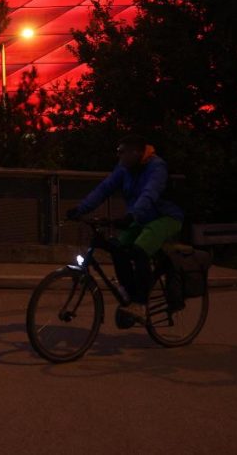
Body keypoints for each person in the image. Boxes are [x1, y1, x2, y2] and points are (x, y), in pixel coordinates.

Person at [66, 134, 183, 323]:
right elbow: (104, 188)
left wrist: (132, 216)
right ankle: (130, 291)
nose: (119, 157)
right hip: (141, 216)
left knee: (139, 249)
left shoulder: (157, 167)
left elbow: (149, 193)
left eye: (122, 153)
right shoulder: (125, 168)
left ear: (136, 152)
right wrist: (80, 209)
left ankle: (140, 303)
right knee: (118, 247)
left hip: (165, 217)